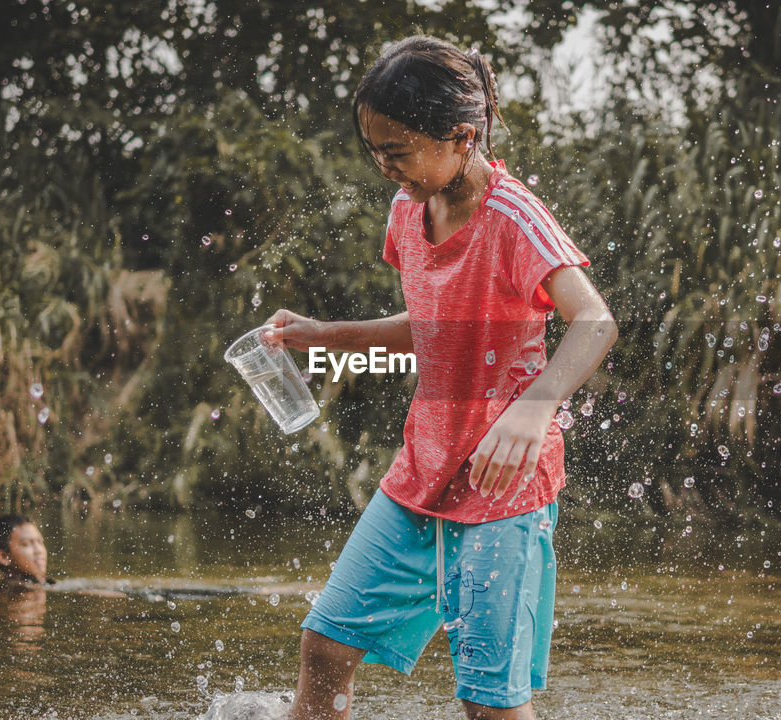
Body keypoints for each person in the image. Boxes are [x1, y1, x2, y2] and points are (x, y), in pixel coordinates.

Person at [261, 35, 618, 720]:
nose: (386, 167)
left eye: (397, 150)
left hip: (501, 486)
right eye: (375, 151)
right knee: (327, 644)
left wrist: (533, 409)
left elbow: (594, 322)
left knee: (488, 702)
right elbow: (436, 320)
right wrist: (328, 336)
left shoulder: (514, 215)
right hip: (420, 474)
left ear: (461, 137)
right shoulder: (407, 210)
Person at [0, 513, 51, 586]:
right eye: (26, 544)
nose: (39, 550)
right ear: (4, 557)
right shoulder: (9, 594)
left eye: (40, 542)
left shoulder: (47, 584)